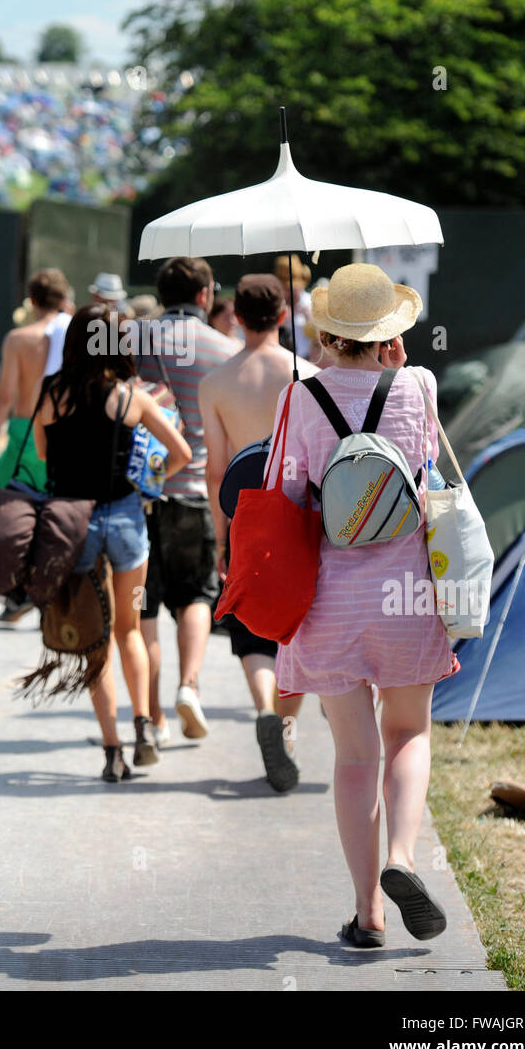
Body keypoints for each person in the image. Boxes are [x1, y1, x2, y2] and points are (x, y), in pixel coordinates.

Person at [265, 262, 457, 946]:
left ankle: (367, 913)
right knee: (407, 732)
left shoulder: (299, 396)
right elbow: (426, 470)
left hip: (330, 599)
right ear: (388, 332)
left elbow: (283, 496)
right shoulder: (420, 385)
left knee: (353, 756)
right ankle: (402, 860)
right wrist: (398, 373)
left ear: (325, 330)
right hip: (407, 592)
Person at [33, 305, 191, 782]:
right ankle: (143, 725)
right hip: (124, 520)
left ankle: (111, 750)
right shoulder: (131, 399)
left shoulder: (53, 394)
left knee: (94, 639)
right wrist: (148, 482)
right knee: (130, 630)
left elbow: (42, 454)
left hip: (72, 524)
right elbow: (181, 454)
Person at [199, 274, 318, 791]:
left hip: (245, 513)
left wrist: (220, 534)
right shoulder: (308, 377)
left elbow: (216, 469)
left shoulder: (216, 382)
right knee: (298, 622)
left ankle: (265, 710)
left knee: (251, 627)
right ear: (285, 316)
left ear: (238, 317)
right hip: (300, 513)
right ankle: (285, 726)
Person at [136, 256, 240, 745]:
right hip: (196, 490)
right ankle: (189, 685)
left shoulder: (131, 340)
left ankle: (150, 715)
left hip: (138, 494)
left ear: (162, 295)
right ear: (205, 296)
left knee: (143, 608)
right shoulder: (227, 350)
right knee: (197, 594)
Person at [0, 267, 70, 620]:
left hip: (23, 434)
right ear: (63, 299)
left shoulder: (19, 339)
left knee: (3, 505)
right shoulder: (73, 334)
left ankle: (19, 590)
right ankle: (48, 590)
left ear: (31, 300)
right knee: (55, 512)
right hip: (63, 436)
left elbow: (4, 396)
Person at [274, 254, 316, 361]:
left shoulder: (312, 303)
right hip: (282, 360)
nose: (288, 292)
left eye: (291, 288)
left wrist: (310, 319)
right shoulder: (276, 304)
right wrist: (280, 322)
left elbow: (323, 337)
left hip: (308, 360)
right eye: (285, 288)